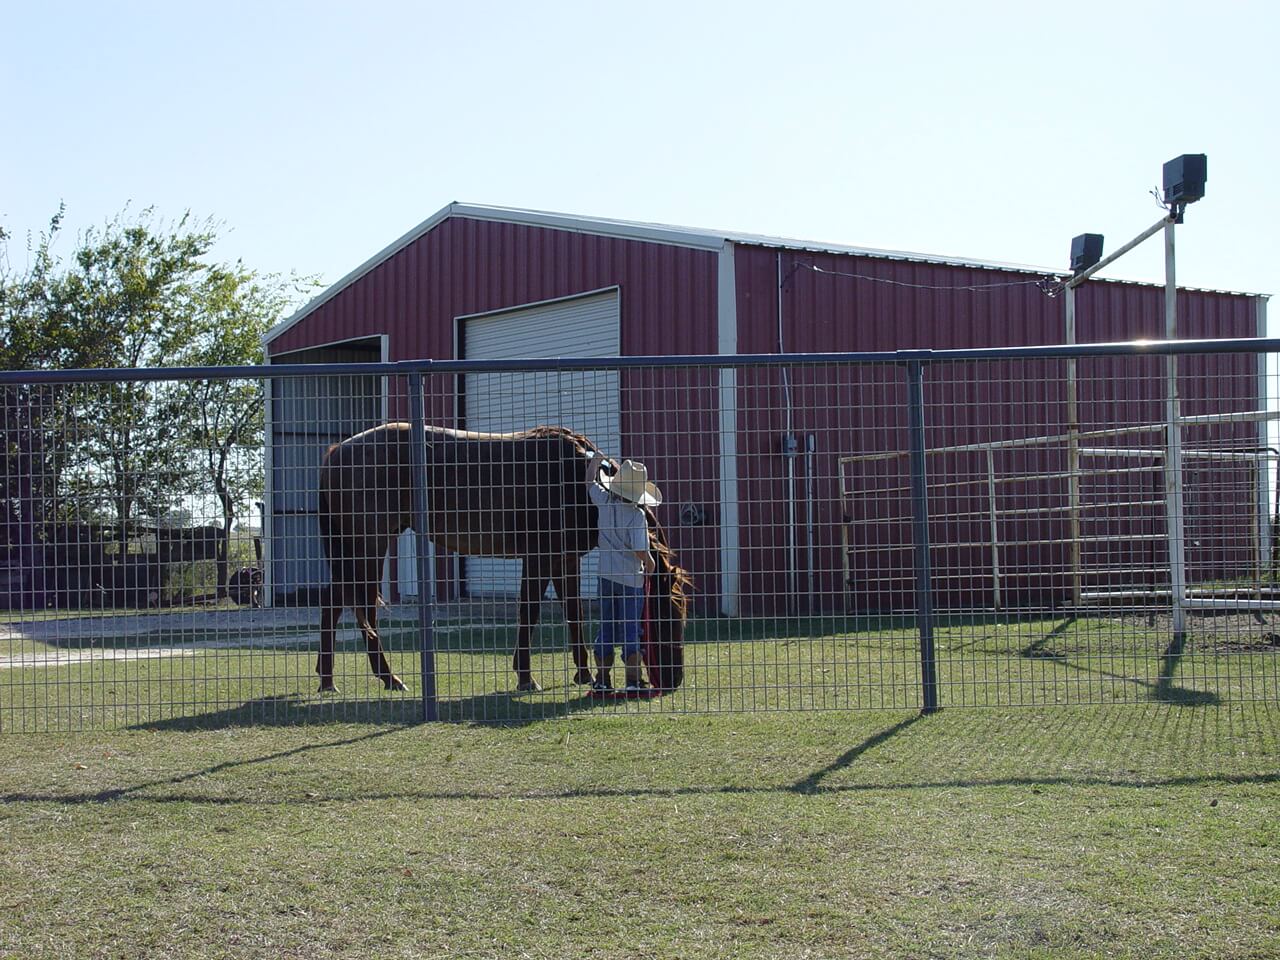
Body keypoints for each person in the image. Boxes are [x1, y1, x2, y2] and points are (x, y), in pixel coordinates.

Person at [585, 450, 662, 694]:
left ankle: (602, 679)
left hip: (605, 575)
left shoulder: (604, 502)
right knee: (631, 627)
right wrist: (652, 567)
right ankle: (632, 680)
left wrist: (596, 462)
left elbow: (589, 482)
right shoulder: (637, 515)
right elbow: (640, 550)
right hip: (631, 578)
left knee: (606, 625)